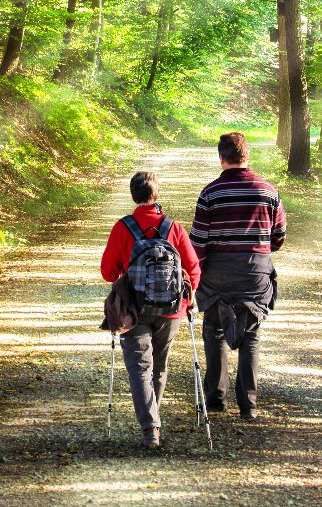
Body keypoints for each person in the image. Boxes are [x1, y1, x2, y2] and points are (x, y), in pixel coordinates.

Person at [100, 170, 202, 449]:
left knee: (139, 368)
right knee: (159, 365)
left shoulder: (123, 228)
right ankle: (152, 420)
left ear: (133, 195)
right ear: (156, 195)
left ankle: (150, 429)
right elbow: (193, 268)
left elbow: (108, 272)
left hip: (133, 310)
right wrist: (188, 298)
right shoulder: (174, 228)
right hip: (171, 309)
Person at [190, 131, 285, 421]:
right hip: (255, 271)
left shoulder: (210, 193)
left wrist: (200, 275)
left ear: (221, 158)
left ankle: (216, 398)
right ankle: (248, 406)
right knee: (251, 335)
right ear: (247, 156)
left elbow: (198, 243)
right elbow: (278, 237)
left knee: (215, 331)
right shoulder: (269, 192)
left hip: (218, 271)